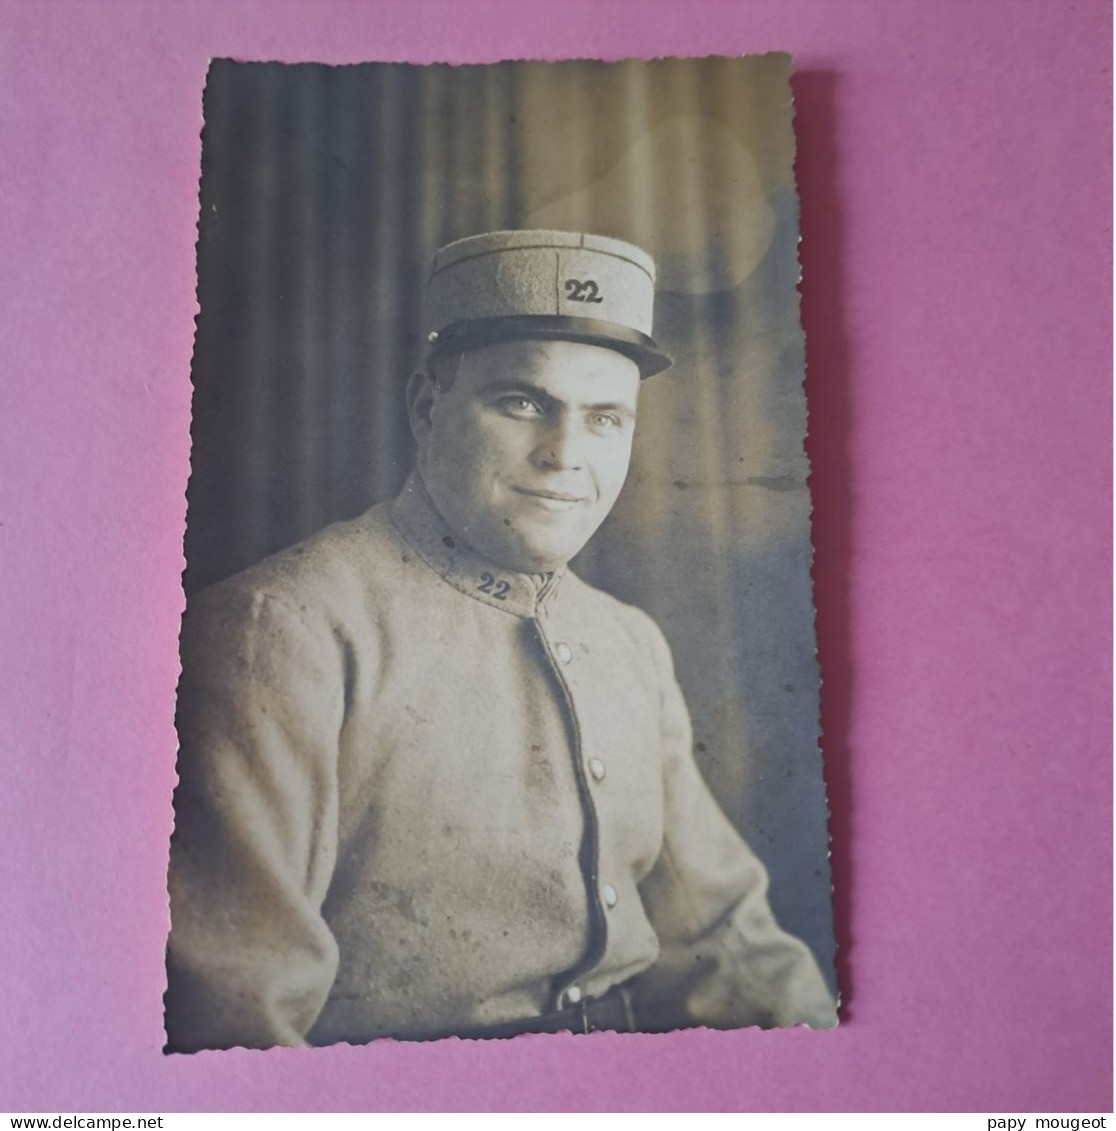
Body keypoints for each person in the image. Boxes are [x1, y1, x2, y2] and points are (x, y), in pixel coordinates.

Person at [165, 229, 837, 1052]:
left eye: (604, 417)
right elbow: (243, 1020)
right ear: (426, 406)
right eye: (522, 402)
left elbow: (726, 940)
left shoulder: (628, 641)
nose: (565, 455)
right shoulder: (285, 629)